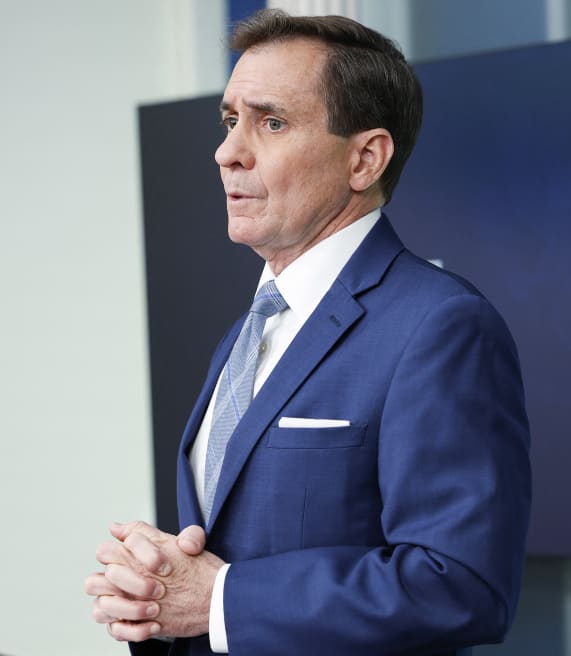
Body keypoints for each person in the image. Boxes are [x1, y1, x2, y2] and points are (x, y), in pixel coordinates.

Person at [83, 9, 532, 656]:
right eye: (229, 120)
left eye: (271, 122)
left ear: (365, 158)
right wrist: (158, 594)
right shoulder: (247, 332)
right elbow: (235, 553)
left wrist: (219, 598)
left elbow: (460, 585)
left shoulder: (442, 327)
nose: (227, 151)